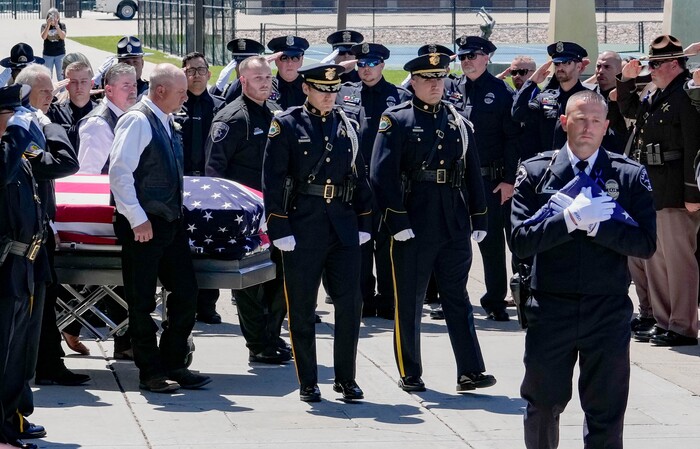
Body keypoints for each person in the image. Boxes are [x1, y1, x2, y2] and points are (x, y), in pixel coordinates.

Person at [511, 90, 657, 449]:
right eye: (580, 119)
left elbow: (646, 245)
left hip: (605, 308)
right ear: (564, 123)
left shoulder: (627, 175)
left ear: (607, 126)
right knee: (542, 405)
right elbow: (520, 240)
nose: (588, 127)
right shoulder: (535, 172)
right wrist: (569, 220)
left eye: (596, 120)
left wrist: (598, 227)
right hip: (550, 307)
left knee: (606, 411)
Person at [371, 53, 495, 394]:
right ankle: (410, 371)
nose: (435, 84)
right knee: (410, 300)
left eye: (439, 77)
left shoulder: (457, 120)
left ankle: (470, 370)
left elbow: (471, 169)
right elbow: (381, 175)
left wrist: (479, 214)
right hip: (415, 218)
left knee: (457, 297)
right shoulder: (396, 120)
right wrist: (397, 219)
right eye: (427, 78)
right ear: (412, 81)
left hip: (452, 220)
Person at [262, 63, 373, 402]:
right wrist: (279, 224)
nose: (329, 96)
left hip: (341, 225)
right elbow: (274, 178)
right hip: (302, 224)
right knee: (301, 306)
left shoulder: (347, 126)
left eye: (333, 90)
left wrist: (365, 221)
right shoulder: (287, 123)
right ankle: (308, 379)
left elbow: (359, 176)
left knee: (350, 305)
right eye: (322, 90)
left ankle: (346, 378)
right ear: (307, 89)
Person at [109, 63, 211, 393]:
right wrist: (137, 218)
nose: (186, 95)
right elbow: (120, 173)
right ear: (161, 90)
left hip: (168, 223)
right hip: (143, 226)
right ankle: (149, 372)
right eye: (181, 91)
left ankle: (172, 361)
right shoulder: (138, 120)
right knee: (141, 302)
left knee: (185, 292)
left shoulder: (166, 120)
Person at [205, 56, 290, 364]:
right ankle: (258, 342)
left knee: (280, 277)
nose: (265, 83)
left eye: (268, 77)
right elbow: (215, 173)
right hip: (246, 217)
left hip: (278, 212)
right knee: (251, 283)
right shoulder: (231, 119)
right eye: (258, 78)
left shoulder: (277, 113)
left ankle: (272, 335)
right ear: (243, 81)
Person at [617, 35, 700, 347]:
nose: (650, 69)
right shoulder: (658, 95)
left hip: (676, 191)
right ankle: (665, 322)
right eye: (650, 63)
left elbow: (695, 146)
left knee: (679, 264)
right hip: (653, 190)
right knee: (657, 261)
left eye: (656, 64)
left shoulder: (686, 95)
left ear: (675, 64)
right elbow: (627, 109)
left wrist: (693, 193)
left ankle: (683, 326)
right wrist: (625, 80)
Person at [337, 42, 411, 319]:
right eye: (361, 64)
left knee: (388, 245)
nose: (365, 70)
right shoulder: (345, 93)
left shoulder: (399, 96)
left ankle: (389, 299)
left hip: (388, 182)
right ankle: (364, 299)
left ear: (383, 65)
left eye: (371, 64)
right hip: (354, 182)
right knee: (359, 245)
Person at [452, 35, 522, 321]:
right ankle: (454, 297)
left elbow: (512, 140)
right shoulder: (451, 88)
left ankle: (494, 300)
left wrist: (509, 179)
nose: (467, 61)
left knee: (491, 244)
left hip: (489, 181)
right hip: (456, 180)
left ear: (487, 57)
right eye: (463, 57)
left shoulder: (502, 92)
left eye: (473, 55)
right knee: (454, 242)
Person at [0, 84, 47, 449]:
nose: (20, 122)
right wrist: (16, 131)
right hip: (4, 267)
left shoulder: (16, 153)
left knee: (14, 356)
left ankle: (8, 424)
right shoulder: (6, 153)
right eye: (11, 115)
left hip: (22, 266)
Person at [174, 52, 225, 324]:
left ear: (209, 74)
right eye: (190, 70)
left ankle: (208, 304)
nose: (196, 74)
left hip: (209, 185)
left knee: (209, 245)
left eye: (201, 70)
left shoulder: (220, 107)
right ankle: (181, 303)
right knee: (181, 248)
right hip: (180, 184)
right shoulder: (174, 105)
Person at [512, 41, 589, 154]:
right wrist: (531, 82)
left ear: (579, 66)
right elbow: (518, 114)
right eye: (557, 64)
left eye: (566, 62)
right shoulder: (545, 97)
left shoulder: (589, 99)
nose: (560, 67)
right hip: (548, 164)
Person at [77, 63, 138, 175]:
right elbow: (87, 175)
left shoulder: (126, 116)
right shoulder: (98, 125)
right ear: (109, 90)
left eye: (134, 85)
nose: (133, 91)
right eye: (126, 86)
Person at [47, 59, 96, 149]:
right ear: (66, 85)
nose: (79, 86)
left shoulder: (101, 112)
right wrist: (49, 93)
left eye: (83, 81)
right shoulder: (56, 112)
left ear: (92, 84)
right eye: (73, 82)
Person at [212, 38, 266, 103]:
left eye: (246, 63)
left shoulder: (266, 87)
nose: (241, 66)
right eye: (238, 62)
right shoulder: (228, 88)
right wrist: (218, 87)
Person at [267, 35, 309, 110]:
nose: (290, 63)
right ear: (276, 61)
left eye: (295, 58)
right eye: (284, 58)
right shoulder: (265, 86)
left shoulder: (311, 88)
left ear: (302, 60)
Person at [39, 8, 66, 81]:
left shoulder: (62, 25)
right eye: (51, 16)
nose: (53, 19)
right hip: (48, 54)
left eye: (55, 16)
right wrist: (48, 25)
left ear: (58, 17)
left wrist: (57, 26)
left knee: (61, 76)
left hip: (60, 54)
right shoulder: (44, 26)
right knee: (48, 76)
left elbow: (62, 36)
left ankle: (62, 92)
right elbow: (44, 37)